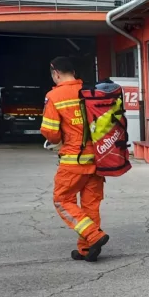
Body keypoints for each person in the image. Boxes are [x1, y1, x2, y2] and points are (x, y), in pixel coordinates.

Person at [40, 56, 110, 262]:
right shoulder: (90, 91)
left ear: (56, 73)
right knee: (90, 205)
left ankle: (94, 236)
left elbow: (51, 132)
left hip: (73, 161)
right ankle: (86, 249)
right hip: (98, 160)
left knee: (62, 200)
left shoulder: (55, 96)